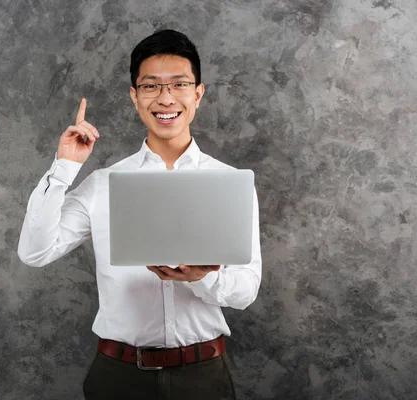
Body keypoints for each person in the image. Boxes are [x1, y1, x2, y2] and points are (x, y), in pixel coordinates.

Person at [17, 29, 262, 400]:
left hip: (203, 377)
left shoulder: (229, 182)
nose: (165, 98)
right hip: (119, 376)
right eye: (150, 86)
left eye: (179, 84)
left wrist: (200, 279)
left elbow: (246, 290)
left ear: (198, 94)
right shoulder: (104, 184)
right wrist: (64, 166)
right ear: (135, 97)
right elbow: (34, 253)